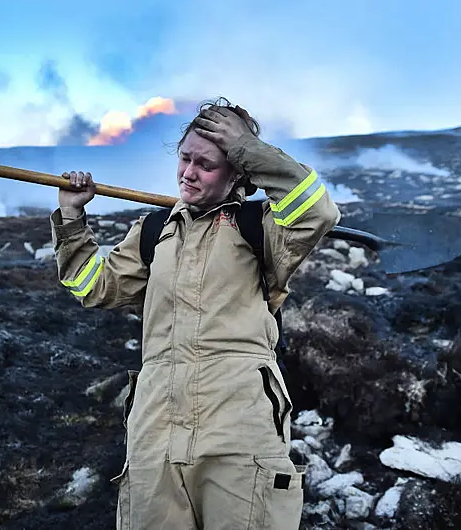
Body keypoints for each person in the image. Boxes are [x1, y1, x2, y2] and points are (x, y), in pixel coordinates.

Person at [50, 98, 341, 529]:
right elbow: (93, 287)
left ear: (238, 171)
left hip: (239, 423)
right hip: (155, 426)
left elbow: (317, 210)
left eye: (206, 164)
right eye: (185, 158)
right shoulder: (153, 232)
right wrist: (72, 217)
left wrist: (246, 146)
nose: (188, 172)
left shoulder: (263, 228)